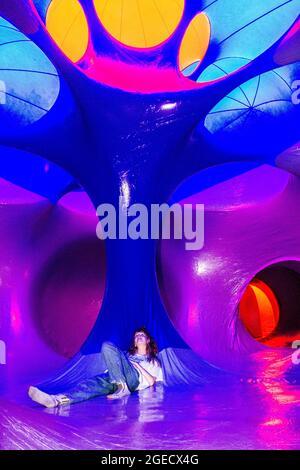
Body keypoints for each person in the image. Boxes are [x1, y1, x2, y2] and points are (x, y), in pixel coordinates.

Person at [28, 327, 164, 408]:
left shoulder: (153, 361)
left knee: (107, 346)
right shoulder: (126, 355)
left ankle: (123, 387)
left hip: (133, 380)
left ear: (148, 340)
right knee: (88, 385)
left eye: (142, 335)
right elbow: (114, 361)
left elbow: (152, 381)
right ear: (134, 343)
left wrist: (136, 366)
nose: (139, 337)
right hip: (113, 377)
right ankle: (56, 400)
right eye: (136, 336)